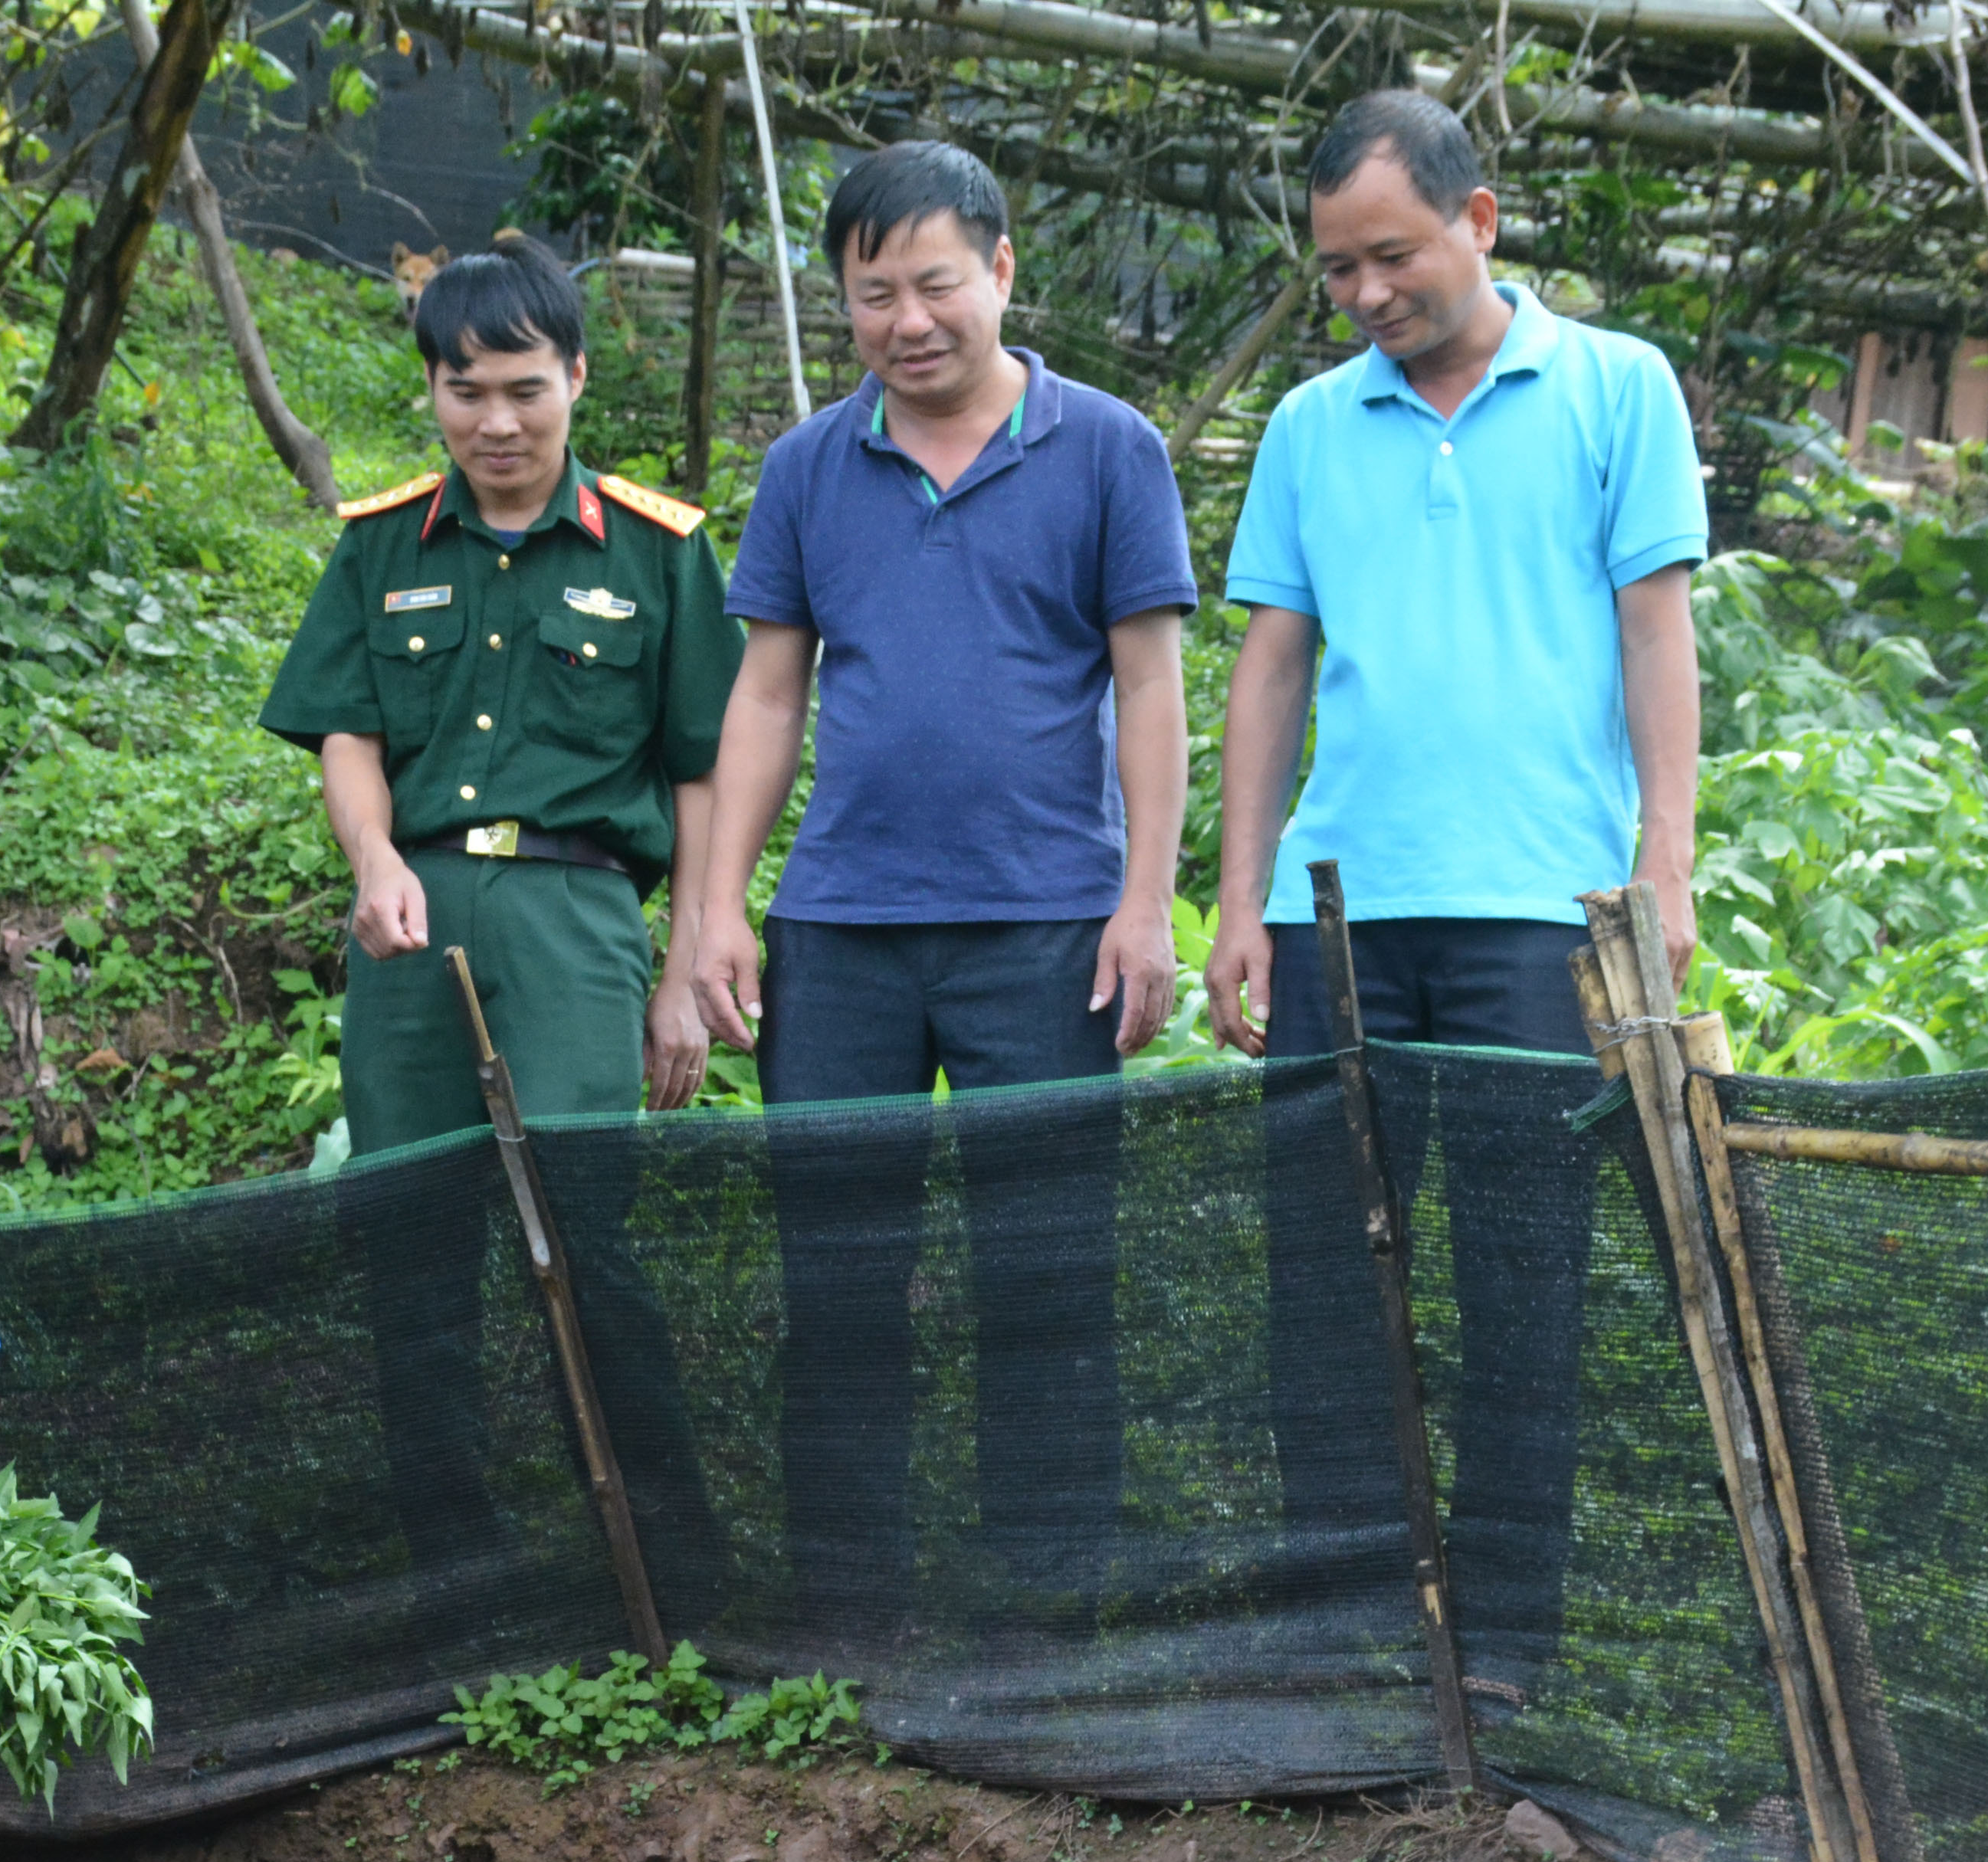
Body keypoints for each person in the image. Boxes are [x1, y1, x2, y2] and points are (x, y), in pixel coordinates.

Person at [1206, 89, 1706, 1693]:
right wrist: (1235, 900)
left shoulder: (1616, 389)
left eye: (1392, 257)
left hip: (1535, 916)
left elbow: (1654, 636)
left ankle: (1503, 1650)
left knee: (1520, 1286)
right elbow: (1269, 668)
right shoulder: (1304, 427)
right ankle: (1345, 1635)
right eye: (1337, 271)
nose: (1364, 295)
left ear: (1477, 221)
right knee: (1323, 1285)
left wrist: (1661, 875)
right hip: (1332, 917)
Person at [692, 142, 1193, 1633]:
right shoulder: (806, 469)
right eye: (871, 295)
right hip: (841, 932)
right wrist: (720, 903)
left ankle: (1048, 1602)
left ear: (999, 273)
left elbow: (1150, 689)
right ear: (841, 303)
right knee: (838, 1270)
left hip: (1047, 927)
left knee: (1045, 1267)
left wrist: (1145, 900)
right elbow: (766, 697)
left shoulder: (1109, 449)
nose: (907, 321)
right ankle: (844, 1602)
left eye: (933, 285)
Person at [259, 240, 735, 1607]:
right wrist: (370, 861)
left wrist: (686, 965)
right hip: (410, 928)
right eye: (467, 392)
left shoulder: (658, 549)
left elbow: (703, 768)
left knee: (589, 1234)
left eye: (528, 389)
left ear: (578, 379)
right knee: (412, 1238)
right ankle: (455, 1569)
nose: (500, 422)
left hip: (579, 921)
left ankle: (658, 1562)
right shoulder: (379, 544)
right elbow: (345, 728)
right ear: (432, 392)